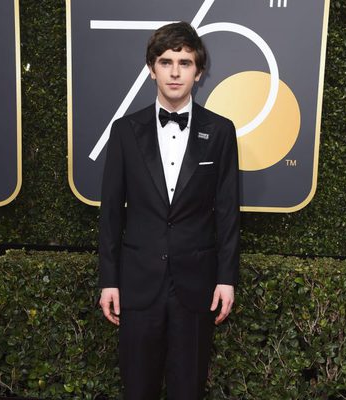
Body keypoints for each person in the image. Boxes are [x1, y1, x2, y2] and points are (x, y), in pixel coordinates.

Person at [98, 21, 240, 400]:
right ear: (151, 68)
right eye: (165, 61)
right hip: (138, 283)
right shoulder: (125, 131)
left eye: (185, 62)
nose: (175, 71)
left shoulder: (222, 131)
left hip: (197, 286)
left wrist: (227, 278)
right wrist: (109, 281)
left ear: (199, 72)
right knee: (137, 388)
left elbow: (227, 211)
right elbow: (111, 212)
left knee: (188, 389)